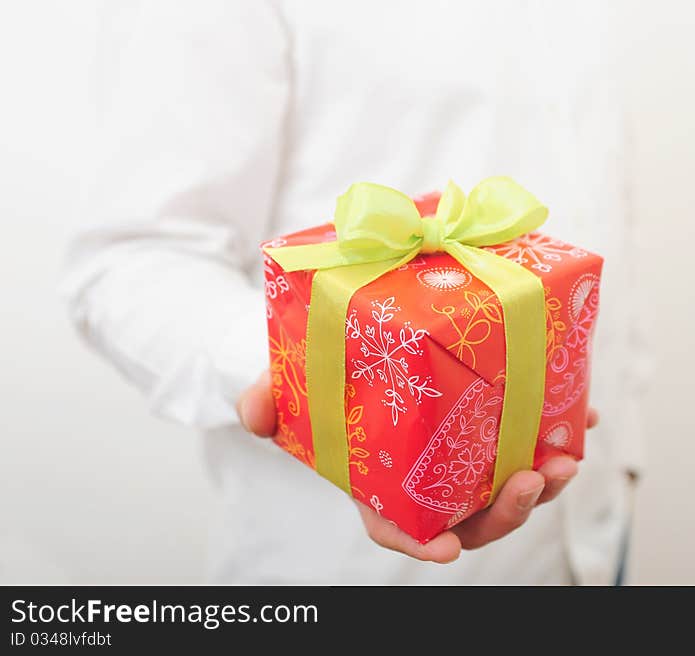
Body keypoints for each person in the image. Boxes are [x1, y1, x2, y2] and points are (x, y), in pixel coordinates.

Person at [64, 0, 648, 584]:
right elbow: (133, 258)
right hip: (349, 568)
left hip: (590, 541)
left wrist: (626, 456)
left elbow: (605, 198)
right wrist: (310, 380)